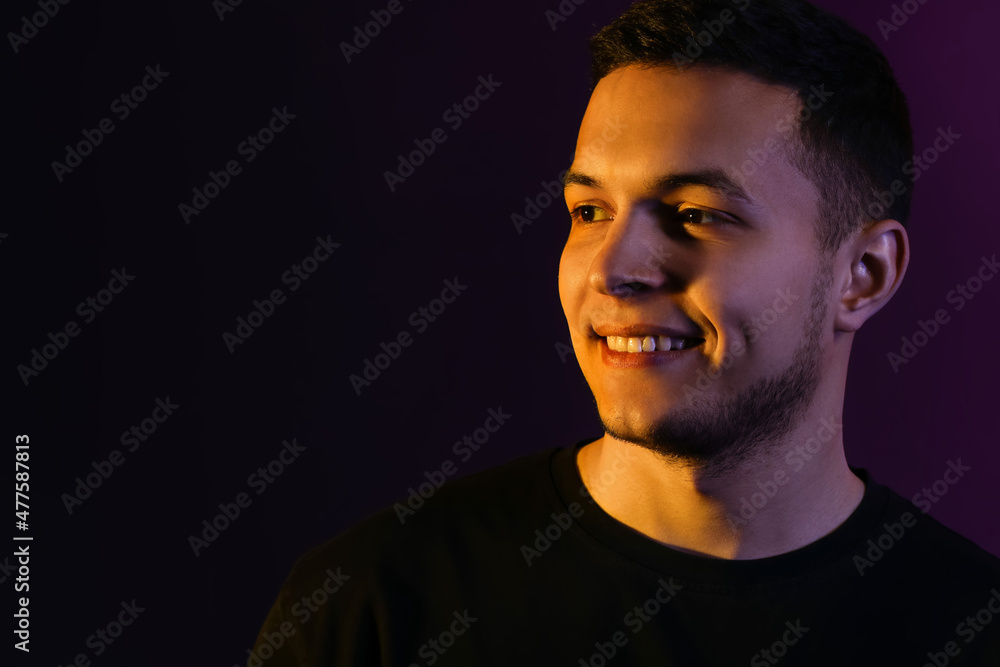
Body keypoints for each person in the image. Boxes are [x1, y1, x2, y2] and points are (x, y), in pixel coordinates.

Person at [250, 1, 1000, 664]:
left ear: (864, 273)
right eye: (589, 212)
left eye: (699, 215)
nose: (611, 270)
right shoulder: (372, 608)